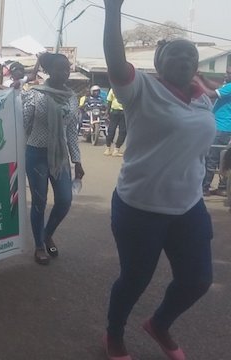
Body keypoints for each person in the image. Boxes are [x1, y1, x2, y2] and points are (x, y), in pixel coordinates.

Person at [103, 1, 216, 359]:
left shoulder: (202, 101)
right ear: (158, 63)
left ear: (196, 67)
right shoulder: (139, 92)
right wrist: (112, 10)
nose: (184, 60)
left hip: (188, 206)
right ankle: (114, 335)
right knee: (134, 280)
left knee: (197, 280)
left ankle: (159, 324)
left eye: (190, 56)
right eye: (175, 54)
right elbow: (115, 59)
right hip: (139, 207)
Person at [22, 52, 84, 266]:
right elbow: (23, 125)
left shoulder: (72, 98)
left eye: (67, 68)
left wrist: (77, 161)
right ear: (49, 71)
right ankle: (39, 245)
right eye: (59, 68)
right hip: (36, 154)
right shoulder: (35, 94)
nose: (64, 72)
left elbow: (72, 133)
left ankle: (48, 234)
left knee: (65, 201)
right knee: (39, 202)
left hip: (60, 157)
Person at [196, 66, 231, 197]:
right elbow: (216, 86)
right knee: (224, 159)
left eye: (229, 73)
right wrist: (202, 78)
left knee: (211, 158)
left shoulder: (230, 87)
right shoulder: (228, 86)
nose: (226, 75)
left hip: (221, 127)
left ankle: (204, 188)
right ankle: (222, 187)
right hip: (226, 127)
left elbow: (211, 93)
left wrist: (196, 81)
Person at [104, 88, 126, 157]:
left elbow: (109, 101)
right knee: (122, 131)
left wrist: (107, 111)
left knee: (112, 129)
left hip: (115, 112)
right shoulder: (128, 88)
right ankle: (116, 150)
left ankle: (108, 149)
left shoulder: (113, 88)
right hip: (123, 112)